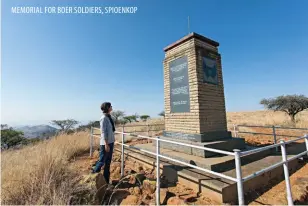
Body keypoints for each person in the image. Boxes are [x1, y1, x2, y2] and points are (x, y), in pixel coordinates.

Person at [92, 102, 115, 184]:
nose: (112, 107)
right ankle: (92, 176)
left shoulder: (109, 117)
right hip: (106, 143)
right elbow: (103, 132)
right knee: (102, 160)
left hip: (111, 142)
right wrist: (106, 144)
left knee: (108, 162)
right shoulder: (103, 118)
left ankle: (106, 181)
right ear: (107, 108)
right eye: (110, 106)